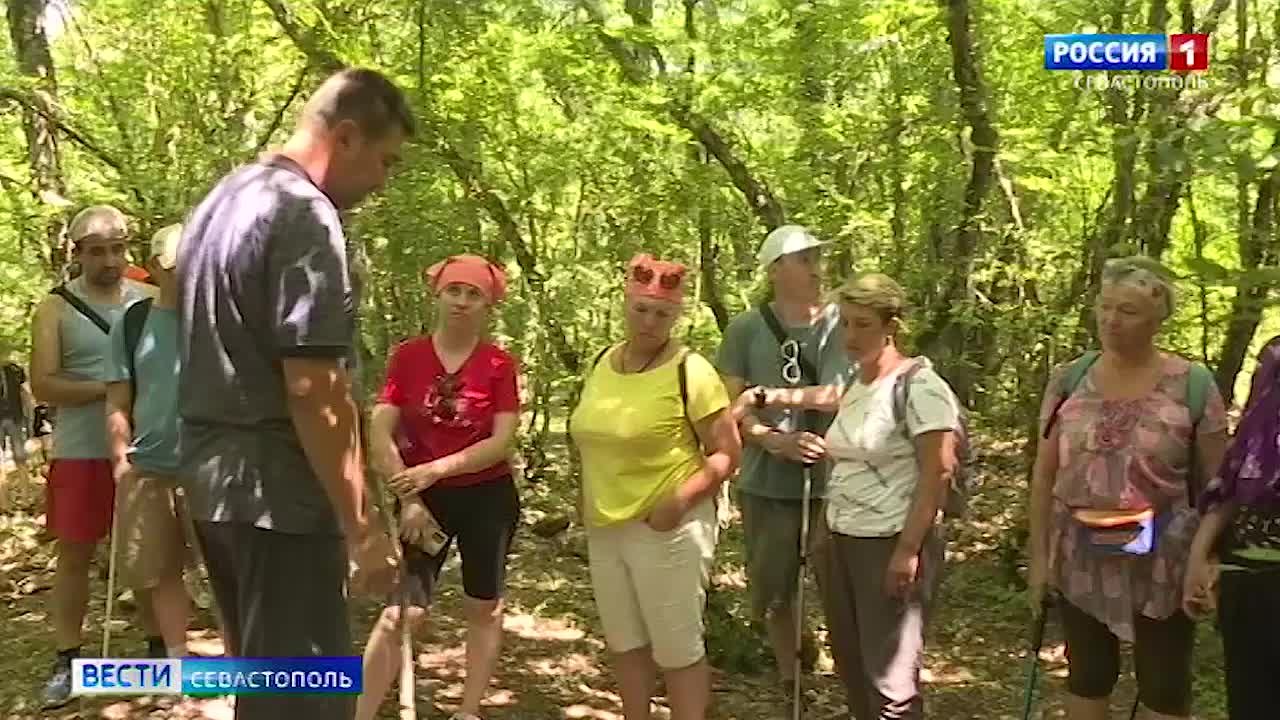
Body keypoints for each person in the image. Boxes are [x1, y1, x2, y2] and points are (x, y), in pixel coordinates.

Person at [176, 67, 411, 720]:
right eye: (385, 162)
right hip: (278, 498)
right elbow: (313, 387)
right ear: (345, 136)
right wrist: (361, 525)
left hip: (216, 489)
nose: (383, 183)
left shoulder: (221, 200)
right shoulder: (306, 214)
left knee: (267, 692)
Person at [738, 273, 959, 719]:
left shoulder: (920, 386)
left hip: (889, 540)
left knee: (891, 680)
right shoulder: (861, 383)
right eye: (845, 324)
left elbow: (939, 470)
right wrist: (764, 397)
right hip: (840, 540)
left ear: (890, 326)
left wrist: (908, 551)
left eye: (863, 325)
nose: (851, 336)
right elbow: (831, 403)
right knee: (853, 666)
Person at [1028, 256, 1228, 720]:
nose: (1111, 321)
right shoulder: (1070, 379)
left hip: (1164, 562)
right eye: (1105, 306)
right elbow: (1044, 474)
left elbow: (1219, 488)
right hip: (1080, 555)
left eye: (1128, 311)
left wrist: (1209, 560)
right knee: (1087, 676)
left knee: (1164, 685)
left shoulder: (1192, 385)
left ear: (1158, 318)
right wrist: (1039, 560)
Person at [571, 253, 742, 720]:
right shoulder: (602, 362)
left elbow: (727, 453)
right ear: (626, 304)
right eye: (641, 309)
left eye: (661, 314)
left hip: (668, 527)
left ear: (676, 316)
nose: (649, 322)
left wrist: (678, 502)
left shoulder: (693, 371)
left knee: (676, 646)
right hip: (606, 525)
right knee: (624, 641)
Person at [364, 254, 521, 720]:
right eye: (454, 290)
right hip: (420, 500)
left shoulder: (498, 364)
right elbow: (379, 430)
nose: (462, 302)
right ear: (438, 294)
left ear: (487, 304)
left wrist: (435, 470)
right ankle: (361, 712)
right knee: (402, 613)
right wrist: (411, 498)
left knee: (484, 606)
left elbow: (500, 442)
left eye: (473, 294)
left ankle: (468, 710)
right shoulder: (408, 356)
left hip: (487, 498)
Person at [29, 204, 155, 707]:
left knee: (151, 553)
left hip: (148, 447)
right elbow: (44, 383)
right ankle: (68, 659)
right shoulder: (55, 308)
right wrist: (113, 390)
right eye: (97, 250)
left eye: (118, 248)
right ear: (77, 253)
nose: (110, 259)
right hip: (82, 449)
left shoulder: (151, 300)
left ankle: (159, 651)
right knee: (75, 555)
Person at [714, 225, 851, 686]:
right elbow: (729, 408)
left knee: (841, 589)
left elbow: (836, 395)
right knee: (773, 591)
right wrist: (772, 439)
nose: (816, 267)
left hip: (836, 483)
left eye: (817, 256)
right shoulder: (745, 329)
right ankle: (792, 681)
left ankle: (852, 680)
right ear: (776, 270)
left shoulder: (840, 323)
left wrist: (770, 395)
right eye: (804, 258)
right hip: (765, 483)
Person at [103, 223, 195, 660]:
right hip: (149, 466)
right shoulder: (134, 321)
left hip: (212, 466)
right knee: (160, 571)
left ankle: (239, 669)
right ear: (158, 267)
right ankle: (177, 659)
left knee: (228, 570)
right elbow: (118, 398)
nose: (188, 273)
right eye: (178, 265)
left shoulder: (219, 321)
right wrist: (121, 457)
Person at [1183, 335, 1280, 718]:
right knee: (1252, 703)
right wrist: (1197, 559)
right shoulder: (1258, 432)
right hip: (1249, 580)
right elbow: (1228, 490)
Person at [0, 338, 34, 506]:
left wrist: (30, 420)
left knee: (20, 458)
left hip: (15, 418)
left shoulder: (15, 370)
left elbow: (24, 394)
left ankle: (26, 497)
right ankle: (3, 502)